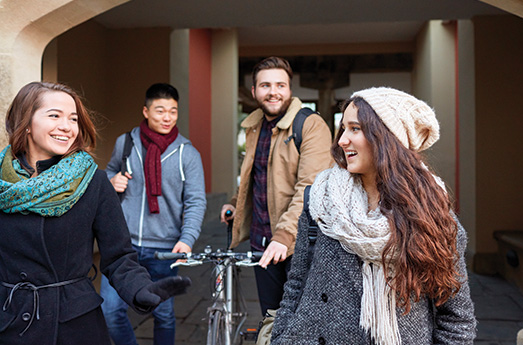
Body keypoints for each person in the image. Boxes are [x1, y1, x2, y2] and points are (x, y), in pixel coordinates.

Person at [271, 87, 477, 344]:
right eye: (343, 128)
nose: (342, 140)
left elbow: (456, 319)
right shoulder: (322, 200)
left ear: (387, 138)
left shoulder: (432, 217)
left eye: (355, 129)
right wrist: (280, 337)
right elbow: (295, 287)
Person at [0, 82, 190, 345]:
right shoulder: (3, 185)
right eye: (54, 115)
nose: (67, 126)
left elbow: (119, 257)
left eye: (73, 118)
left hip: (74, 325)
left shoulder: (93, 181)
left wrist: (141, 290)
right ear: (26, 122)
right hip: (11, 323)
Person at [220, 56, 333, 316]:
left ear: (290, 90)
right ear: (254, 91)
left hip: (299, 243)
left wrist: (283, 236)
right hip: (262, 243)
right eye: (266, 86)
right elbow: (255, 175)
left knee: (301, 322)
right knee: (270, 319)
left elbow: (310, 189)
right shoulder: (254, 126)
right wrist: (235, 203)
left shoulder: (310, 125)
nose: (273, 92)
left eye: (280, 85)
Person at [100, 83, 206, 345]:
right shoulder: (125, 143)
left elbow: (196, 201)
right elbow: (108, 173)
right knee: (110, 310)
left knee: (164, 315)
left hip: (164, 249)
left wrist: (187, 239)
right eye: (160, 111)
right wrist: (111, 181)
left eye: (173, 111)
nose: (167, 117)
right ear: (146, 111)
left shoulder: (187, 154)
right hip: (123, 247)